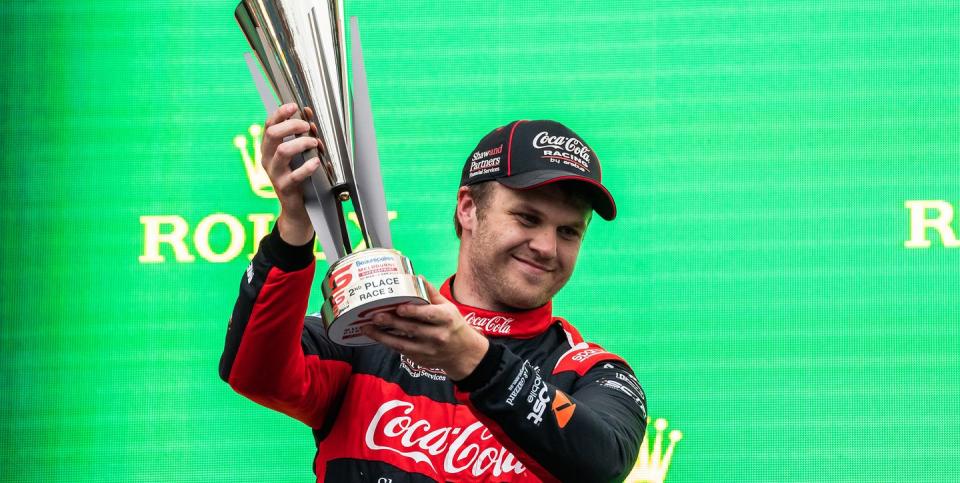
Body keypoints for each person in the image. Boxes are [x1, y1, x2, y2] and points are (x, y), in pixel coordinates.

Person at [219, 103, 648, 482]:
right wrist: (295, 224)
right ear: (468, 209)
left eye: (568, 231)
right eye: (527, 218)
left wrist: (477, 363)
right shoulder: (374, 330)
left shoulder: (589, 371)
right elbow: (253, 371)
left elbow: (601, 463)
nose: (546, 246)